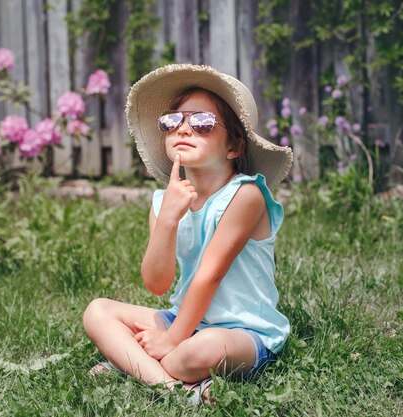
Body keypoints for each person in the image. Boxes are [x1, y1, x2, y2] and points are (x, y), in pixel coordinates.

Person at [83, 64, 293, 404]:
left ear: (234, 147)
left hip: (242, 330)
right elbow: (157, 283)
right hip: (185, 320)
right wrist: (166, 219)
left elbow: (209, 276)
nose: (184, 129)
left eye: (203, 123)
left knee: (201, 351)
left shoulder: (246, 195)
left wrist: (171, 339)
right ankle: (177, 388)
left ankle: (133, 364)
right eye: (172, 121)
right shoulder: (164, 202)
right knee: (98, 311)